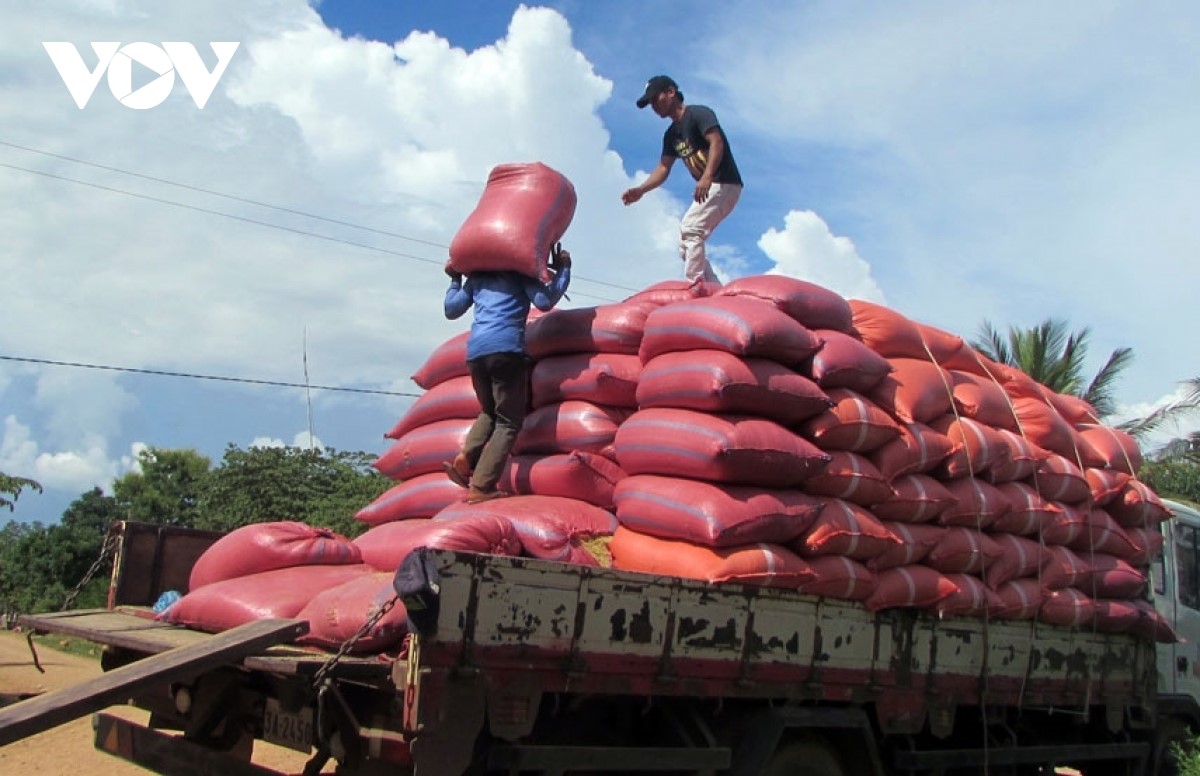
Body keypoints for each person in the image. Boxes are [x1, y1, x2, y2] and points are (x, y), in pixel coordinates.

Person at [441, 244, 572, 503]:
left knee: (490, 412)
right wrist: (564, 271)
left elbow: (451, 309)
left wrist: (456, 279)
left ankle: (467, 456)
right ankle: (482, 486)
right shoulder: (519, 274)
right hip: (507, 350)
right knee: (509, 421)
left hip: (476, 354)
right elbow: (544, 302)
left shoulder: (477, 279)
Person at [621, 75, 743, 283]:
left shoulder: (698, 114)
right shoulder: (671, 135)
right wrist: (641, 189)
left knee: (691, 229)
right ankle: (713, 288)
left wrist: (706, 177)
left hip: (724, 183)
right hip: (710, 187)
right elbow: (663, 168)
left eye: (655, 99)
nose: (654, 106)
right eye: (650, 104)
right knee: (685, 245)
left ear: (671, 92)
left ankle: (694, 284)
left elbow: (717, 142)